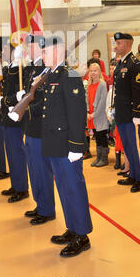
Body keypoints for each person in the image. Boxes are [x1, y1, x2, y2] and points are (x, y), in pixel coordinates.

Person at [41, 36, 93, 258]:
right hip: (54, 144)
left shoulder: (69, 76)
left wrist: (76, 146)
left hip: (67, 145)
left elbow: (77, 113)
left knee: (74, 188)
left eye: (45, 51)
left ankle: (82, 236)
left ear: (58, 52)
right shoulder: (52, 75)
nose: (41, 55)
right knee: (63, 189)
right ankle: (72, 228)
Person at [9, 34, 56, 225]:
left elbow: (45, 100)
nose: (27, 48)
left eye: (31, 45)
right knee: (34, 170)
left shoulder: (47, 69)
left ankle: (47, 209)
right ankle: (40, 204)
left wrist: (25, 108)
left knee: (42, 170)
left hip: (41, 128)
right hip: (30, 127)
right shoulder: (32, 69)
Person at [113, 32, 140, 193]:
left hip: (132, 115)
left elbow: (139, 91)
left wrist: (137, 114)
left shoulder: (136, 64)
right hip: (121, 114)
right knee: (127, 147)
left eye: (118, 43)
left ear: (127, 44)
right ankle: (133, 174)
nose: (116, 46)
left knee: (136, 147)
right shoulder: (120, 64)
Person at [0, 44, 29, 203]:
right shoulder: (7, 69)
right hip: (7, 116)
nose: (2, 54)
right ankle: (15, 185)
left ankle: (22, 188)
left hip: (16, 116)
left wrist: (6, 101)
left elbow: (20, 95)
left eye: (5, 51)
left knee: (17, 152)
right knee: (10, 152)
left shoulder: (20, 70)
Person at [87, 63, 110, 167]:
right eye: (91, 71)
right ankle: (99, 157)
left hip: (99, 116)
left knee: (102, 137)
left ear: (99, 72)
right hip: (91, 115)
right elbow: (87, 99)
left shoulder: (102, 84)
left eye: (95, 71)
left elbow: (102, 101)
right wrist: (88, 112)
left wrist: (94, 114)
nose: (93, 73)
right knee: (97, 137)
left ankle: (104, 158)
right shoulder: (89, 85)